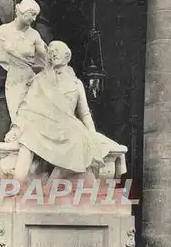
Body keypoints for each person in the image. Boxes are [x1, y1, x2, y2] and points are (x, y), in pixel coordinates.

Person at [12, 40, 127, 182]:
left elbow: (85, 114)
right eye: (50, 50)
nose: (52, 53)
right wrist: (15, 129)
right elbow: (26, 106)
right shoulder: (40, 80)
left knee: (80, 140)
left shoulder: (76, 84)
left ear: (67, 57)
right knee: (28, 138)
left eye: (56, 50)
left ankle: (52, 184)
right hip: (45, 125)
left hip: (69, 127)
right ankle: (15, 186)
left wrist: (92, 133)